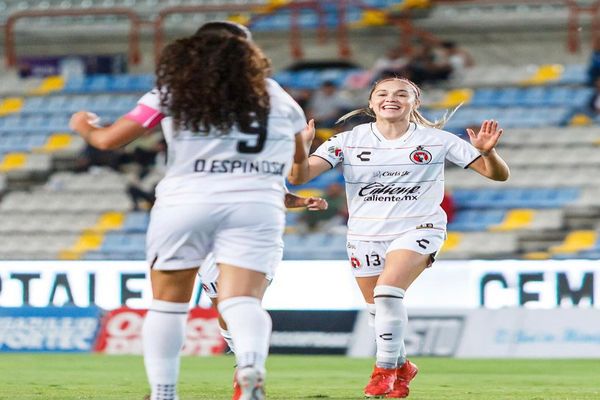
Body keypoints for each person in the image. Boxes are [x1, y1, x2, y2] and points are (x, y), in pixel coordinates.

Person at [70, 21, 310, 400]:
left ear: (195, 50)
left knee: (168, 306)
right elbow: (299, 168)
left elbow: (108, 141)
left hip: (187, 200)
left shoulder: (174, 91)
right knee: (242, 300)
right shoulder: (278, 97)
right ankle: (250, 366)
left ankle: (164, 393)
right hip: (256, 204)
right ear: (249, 53)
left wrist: (85, 126)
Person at [289, 77, 509, 398]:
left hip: (419, 227)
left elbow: (497, 174)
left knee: (388, 292)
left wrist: (488, 154)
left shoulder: (438, 140)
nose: (391, 98)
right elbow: (299, 177)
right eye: (383, 93)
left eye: (401, 94)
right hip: (365, 233)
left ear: (414, 103)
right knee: (377, 309)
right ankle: (403, 365)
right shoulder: (347, 140)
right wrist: (300, 149)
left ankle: (384, 371)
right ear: (371, 101)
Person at [199, 191, 327, 400]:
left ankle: (248, 369)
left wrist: (304, 201)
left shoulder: (267, 158)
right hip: (212, 240)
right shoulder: (208, 163)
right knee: (225, 306)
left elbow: (278, 193)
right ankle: (244, 361)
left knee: (245, 301)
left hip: (259, 236)